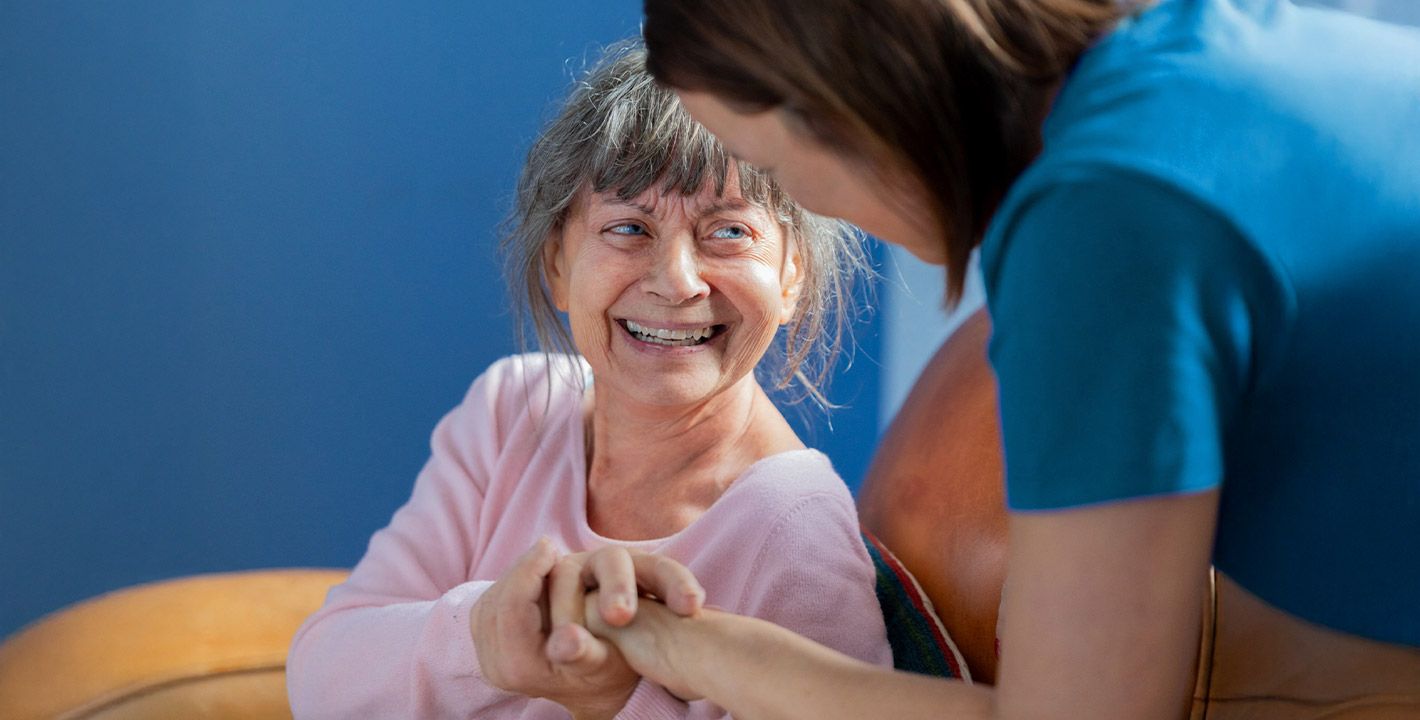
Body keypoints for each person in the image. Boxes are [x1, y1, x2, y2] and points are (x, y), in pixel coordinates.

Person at [562, 0, 1420, 718]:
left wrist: (685, 646)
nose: (815, 201)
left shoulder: (1106, 224)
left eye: (766, 163)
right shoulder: (1198, 50)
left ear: (839, 105)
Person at [285, 44, 889, 719]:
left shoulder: (796, 531)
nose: (677, 280)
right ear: (558, 267)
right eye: (628, 228)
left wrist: (613, 699)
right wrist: (486, 637)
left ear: (791, 276)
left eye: (728, 232)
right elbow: (321, 671)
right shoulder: (509, 412)